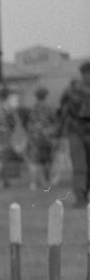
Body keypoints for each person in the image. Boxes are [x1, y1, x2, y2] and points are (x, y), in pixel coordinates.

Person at [58, 62, 90, 207]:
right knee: (79, 165)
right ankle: (80, 197)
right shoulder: (71, 90)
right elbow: (62, 110)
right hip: (76, 130)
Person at [22, 86, 58, 192]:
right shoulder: (50, 109)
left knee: (33, 161)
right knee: (46, 161)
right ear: (46, 96)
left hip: (33, 137)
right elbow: (55, 122)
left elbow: (26, 123)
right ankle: (46, 182)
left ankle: (33, 184)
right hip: (47, 138)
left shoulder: (32, 109)